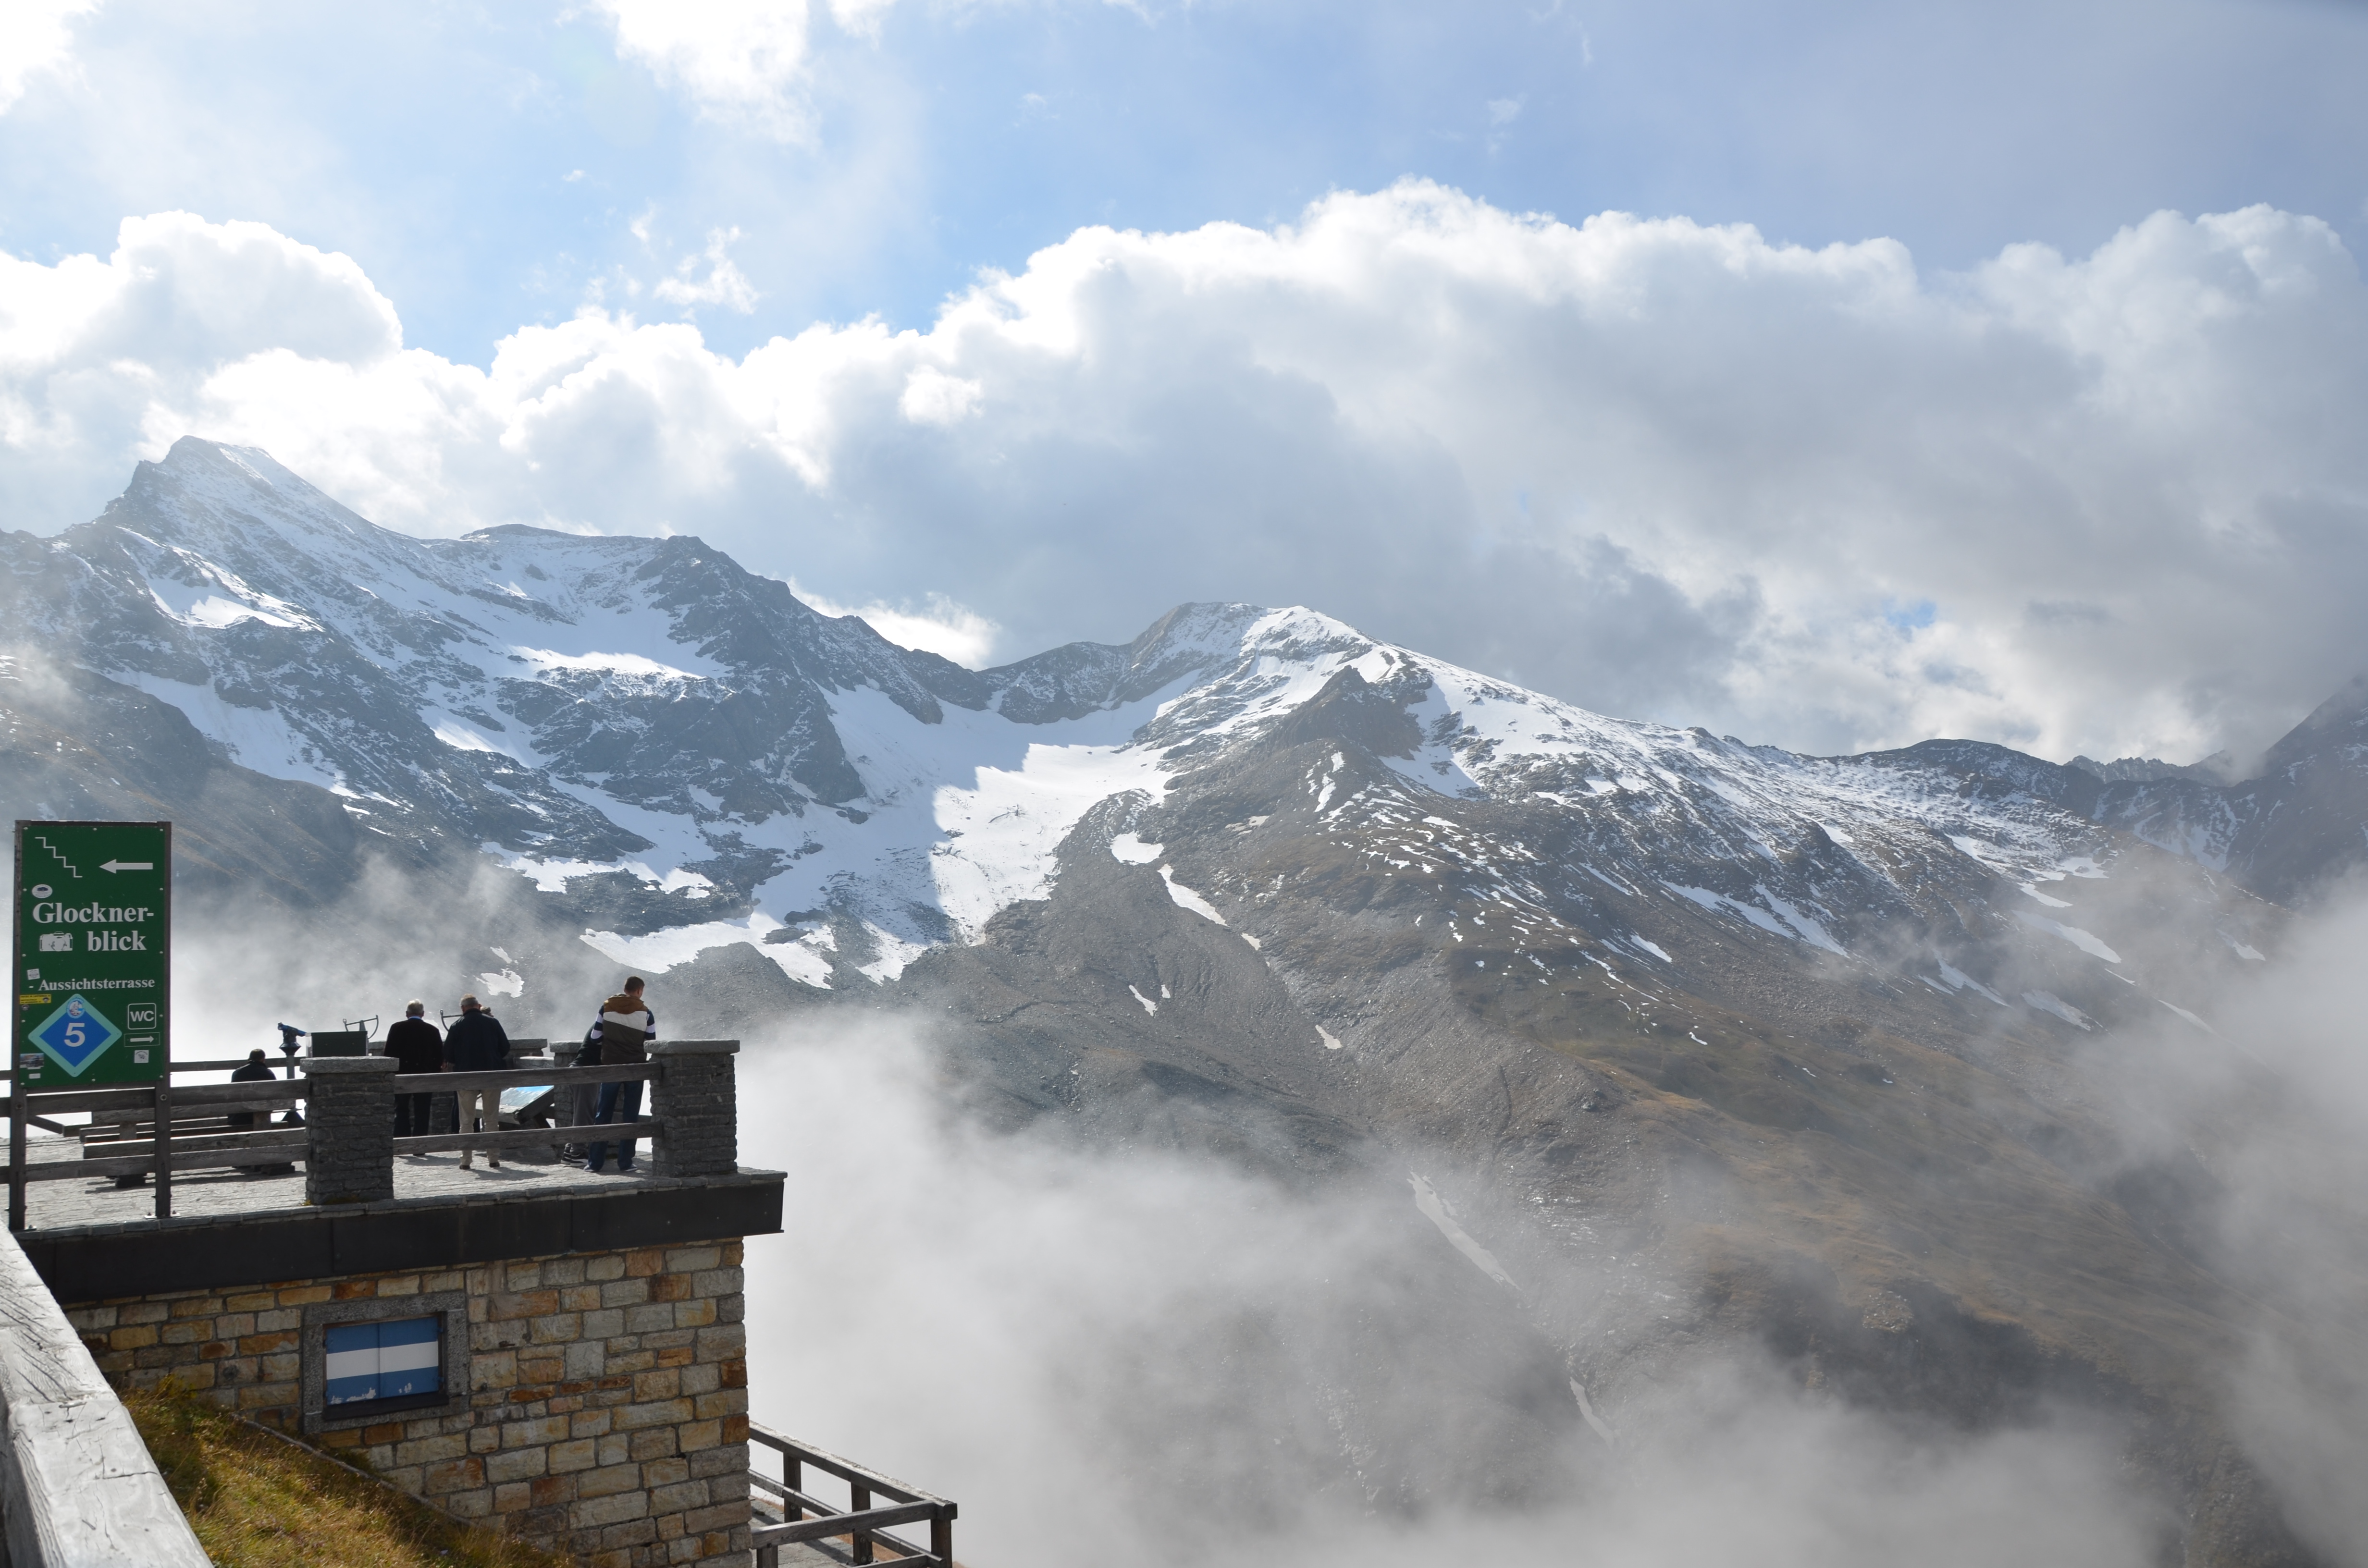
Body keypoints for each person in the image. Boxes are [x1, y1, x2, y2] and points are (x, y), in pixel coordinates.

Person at [582, 977, 654, 1173]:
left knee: (603, 1113)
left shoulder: (606, 1008)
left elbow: (595, 1037)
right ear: (639, 991)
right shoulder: (646, 1013)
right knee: (631, 1116)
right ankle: (625, 1162)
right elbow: (650, 1041)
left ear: (625, 989)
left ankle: (595, 1163)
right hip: (635, 1068)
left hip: (610, 1066)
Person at [442, 994, 511, 1171]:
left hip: (466, 1077)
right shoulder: (492, 1023)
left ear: (463, 1009)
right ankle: (493, 1159)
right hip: (491, 1075)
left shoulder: (457, 1026)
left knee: (466, 1121)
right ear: (478, 1006)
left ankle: (466, 1161)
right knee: (491, 1119)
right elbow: (505, 1047)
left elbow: (448, 1054)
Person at [231, 1048, 297, 1176]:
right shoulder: (268, 1073)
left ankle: (242, 1160)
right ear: (263, 1059)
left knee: (245, 1126)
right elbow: (277, 1095)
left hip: (239, 1117)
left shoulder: (238, 1073)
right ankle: (259, 1158)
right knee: (262, 1121)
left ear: (250, 1059)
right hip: (261, 1116)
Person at [385, 1001, 442, 1140]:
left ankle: (402, 1141)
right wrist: (433, 1072)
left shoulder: (397, 1028)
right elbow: (440, 1056)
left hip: (401, 1076)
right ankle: (420, 1145)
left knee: (401, 1110)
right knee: (422, 1112)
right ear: (423, 1014)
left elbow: (388, 1054)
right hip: (425, 1077)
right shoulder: (433, 1030)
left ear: (407, 1014)